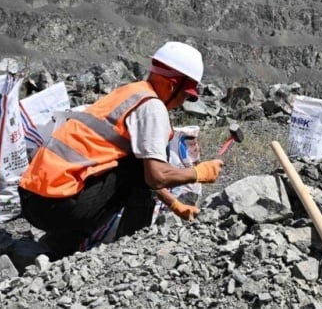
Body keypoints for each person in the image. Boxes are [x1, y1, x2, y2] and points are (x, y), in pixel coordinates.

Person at [18, 41, 223, 258]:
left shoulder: (130, 92)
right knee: (136, 167)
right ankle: (132, 252)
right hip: (56, 208)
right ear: (173, 86)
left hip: (32, 200)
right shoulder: (152, 106)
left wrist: (173, 204)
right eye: (185, 95)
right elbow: (155, 176)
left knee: (135, 161)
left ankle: (62, 245)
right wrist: (197, 173)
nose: (182, 102)